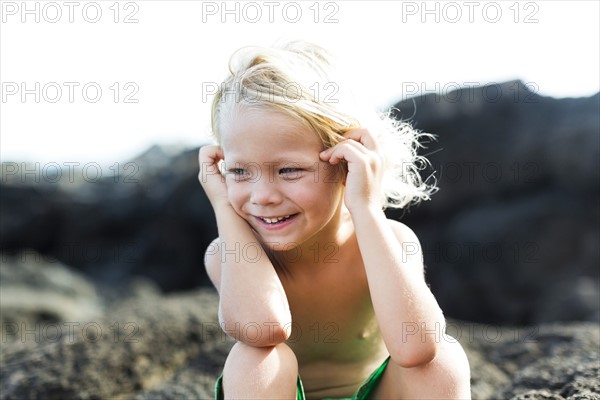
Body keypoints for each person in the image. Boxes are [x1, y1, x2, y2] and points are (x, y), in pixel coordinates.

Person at [199, 40, 471, 400]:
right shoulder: (227, 254)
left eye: (289, 170)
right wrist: (222, 204)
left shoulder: (393, 240)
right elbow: (263, 327)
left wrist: (366, 207)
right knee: (255, 359)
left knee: (443, 360)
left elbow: (417, 348)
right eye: (238, 171)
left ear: (345, 161)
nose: (263, 195)